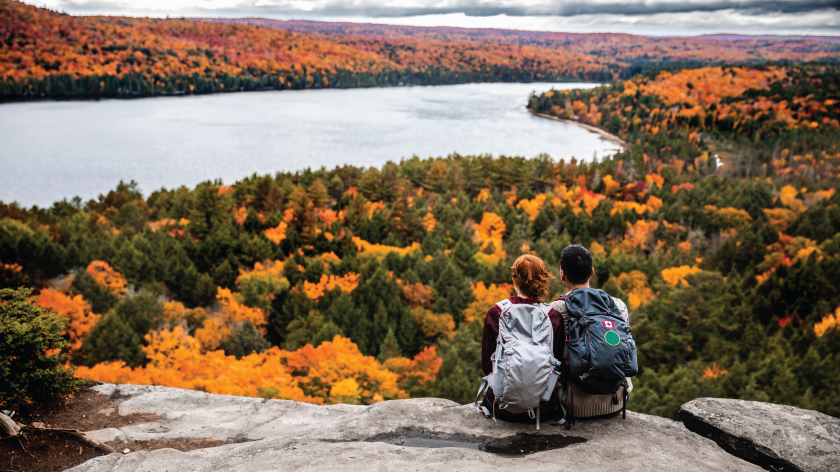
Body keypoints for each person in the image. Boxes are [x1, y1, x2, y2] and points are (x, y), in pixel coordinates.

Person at [549, 245, 633, 419]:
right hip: (615, 402)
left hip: (571, 405)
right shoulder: (618, 306)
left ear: (562, 274)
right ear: (592, 272)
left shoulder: (554, 310)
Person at [480, 254, 565, 423]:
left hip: (500, 406)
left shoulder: (496, 312)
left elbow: (486, 366)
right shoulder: (553, 317)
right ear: (542, 280)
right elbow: (556, 365)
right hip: (542, 408)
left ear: (514, 280)